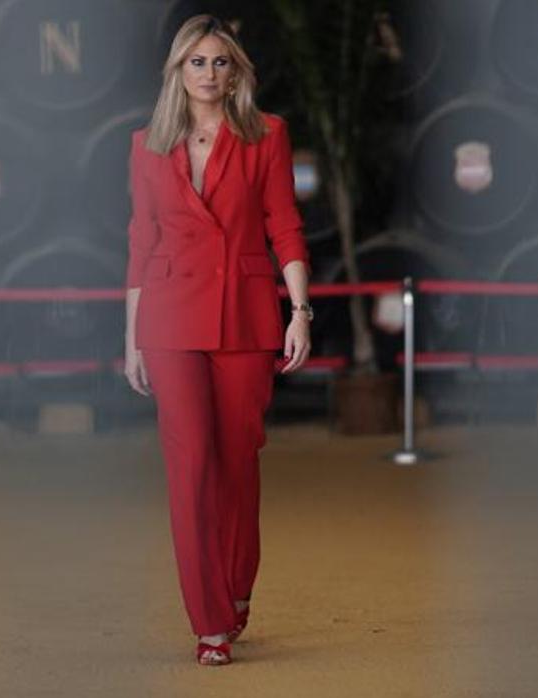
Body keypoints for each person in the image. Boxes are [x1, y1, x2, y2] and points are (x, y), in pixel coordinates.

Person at [122, 14, 313, 666]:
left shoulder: (267, 136)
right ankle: (208, 622)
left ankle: (235, 593)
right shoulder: (147, 144)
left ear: (237, 72)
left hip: (245, 317)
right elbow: (141, 244)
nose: (209, 73)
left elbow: (284, 224)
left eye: (220, 62)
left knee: (237, 463)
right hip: (170, 321)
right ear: (179, 71)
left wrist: (300, 311)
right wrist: (132, 341)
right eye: (197, 62)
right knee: (191, 465)